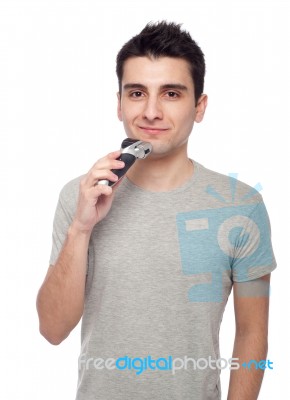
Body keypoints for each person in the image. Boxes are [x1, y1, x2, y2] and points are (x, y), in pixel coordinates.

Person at [36, 21, 276, 400]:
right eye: (136, 93)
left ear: (199, 107)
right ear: (118, 104)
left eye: (171, 94)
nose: (150, 111)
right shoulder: (79, 197)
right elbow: (52, 329)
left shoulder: (241, 206)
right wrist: (80, 229)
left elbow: (251, 334)